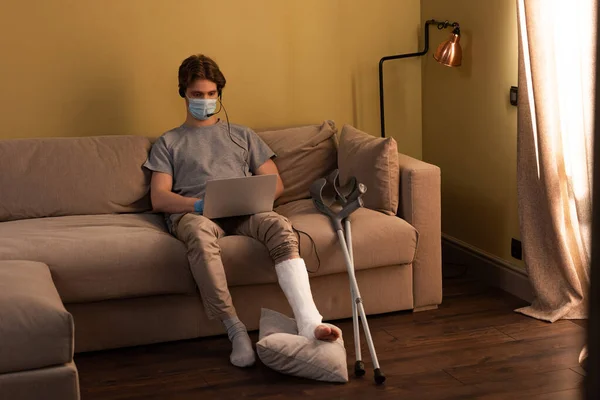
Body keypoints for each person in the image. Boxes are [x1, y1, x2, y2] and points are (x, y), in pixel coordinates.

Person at [143, 54, 341, 367]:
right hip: (196, 214)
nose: (205, 101)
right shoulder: (169, 142)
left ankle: (309, 321)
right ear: (183, 93)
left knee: (279, 226)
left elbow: (275, 184)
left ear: (219, 94)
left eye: (211, 94)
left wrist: (254, 197)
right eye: (197, 95)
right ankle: (235, 332)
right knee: (197, 235)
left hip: (246, 209)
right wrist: (198, 205)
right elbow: (159, 198)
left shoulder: (243, 135)